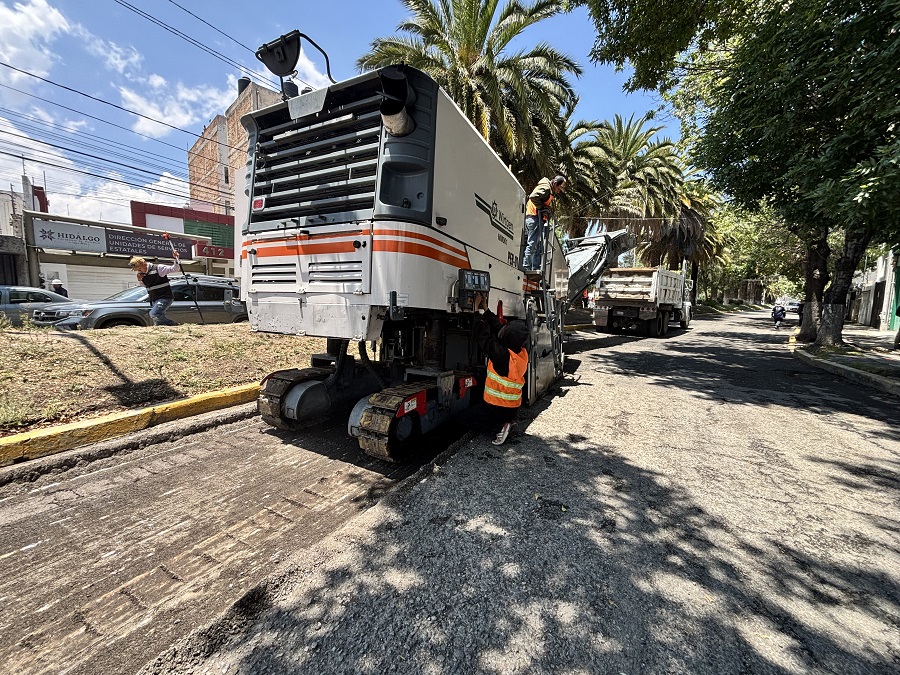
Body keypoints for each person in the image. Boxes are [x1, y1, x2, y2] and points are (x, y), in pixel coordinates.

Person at [472, 292, 530, 445]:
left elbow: (482, 336)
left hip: (497, 406)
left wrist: (475, 311)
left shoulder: (502, 357)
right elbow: (498, 328)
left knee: (466, 419)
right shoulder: (521, 352)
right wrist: (485, 309)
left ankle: (499, 427)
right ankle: (508, 421)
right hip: (511, 407)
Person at [523, 174, 567, 272]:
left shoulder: (549, 190)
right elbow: (533, 197)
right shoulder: (546, 188)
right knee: (532, 244)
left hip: (536, 218)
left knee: (537, 246)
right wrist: (542, 208)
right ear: (555, 183)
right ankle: (526, 267)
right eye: (559, 188)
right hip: (534, 218)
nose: (559, 191)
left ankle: (534, 268)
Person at [129, 252, 181, 326]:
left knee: (154, 313)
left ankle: (173, 325)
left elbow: (175, 269)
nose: (139, 271)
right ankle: (160, 328)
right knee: (157, 319)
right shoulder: (141, 274)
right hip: (154, 298)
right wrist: (140, 280)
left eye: (139, 268)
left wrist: (176, 258)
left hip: (164, 297)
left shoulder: (159, 268)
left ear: (144, 263)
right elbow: (146, 286)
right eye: (137, 269)